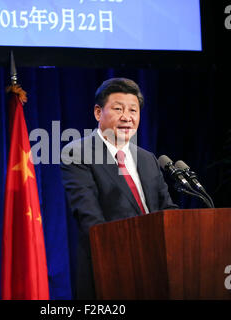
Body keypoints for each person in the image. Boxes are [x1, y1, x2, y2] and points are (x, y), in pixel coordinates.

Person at [60, 77, 178, 299]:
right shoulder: (78, 153)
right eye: (118, 109)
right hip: (110, 267)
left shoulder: (148, 159)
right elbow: (91, 219)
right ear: (98, 113)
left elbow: (166, 209)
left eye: (133, 110)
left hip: (158, 267)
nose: (127, 117)